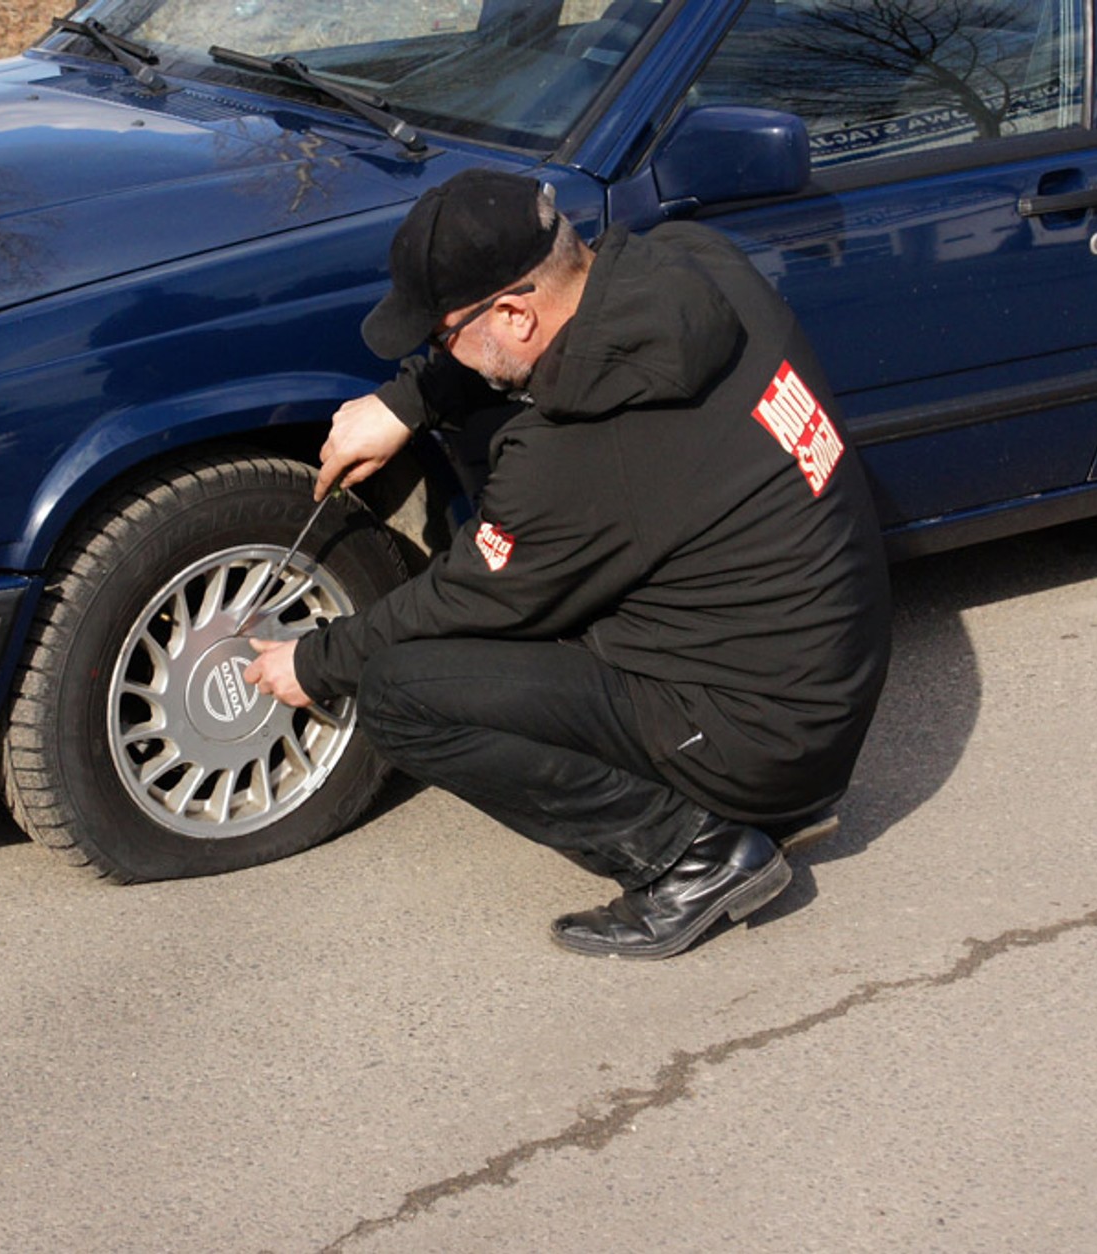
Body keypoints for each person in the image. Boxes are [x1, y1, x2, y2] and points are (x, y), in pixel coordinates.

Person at [245, 168, 892, 960]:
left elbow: (464, 599)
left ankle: (693, 854)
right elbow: (513, 366)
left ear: (514, 311)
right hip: (819, 675)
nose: (437, 352)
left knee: (400, 692)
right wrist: (409, 400)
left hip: (761, 741)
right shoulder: (692, 262)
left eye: (440, 336)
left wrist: (315, 662)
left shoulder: (586, 452)